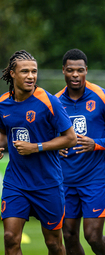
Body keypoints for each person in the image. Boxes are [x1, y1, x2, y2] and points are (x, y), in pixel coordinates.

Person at [0, 50, 77, 255]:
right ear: (12, 74)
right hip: (16, 182)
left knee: (53, 244)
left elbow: (71, 138)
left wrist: (36, 147)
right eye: (25, 71)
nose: (31, 76)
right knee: (10, 238)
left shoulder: (49, 101)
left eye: (34, 71)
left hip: (47, 183)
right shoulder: (3, 103)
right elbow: (3, 133)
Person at [56, 49, 105, 255]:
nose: (75, 74)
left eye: (80, 70)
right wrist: (56, 147)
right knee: (69, 236)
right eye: (70, 70)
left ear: (86, 70)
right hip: (64, 180)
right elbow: (48, 139)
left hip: (94, 179)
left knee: (93, 236)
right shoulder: (55, 102)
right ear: (63, 71)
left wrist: (95, 144)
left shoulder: (103, 97)